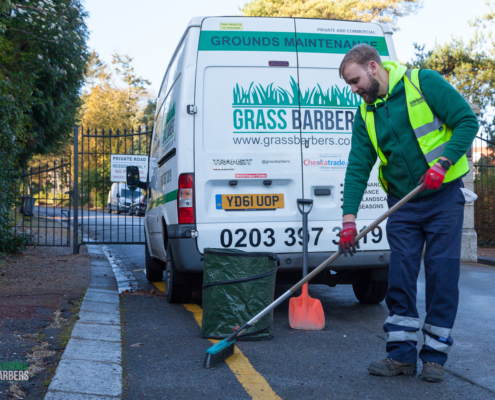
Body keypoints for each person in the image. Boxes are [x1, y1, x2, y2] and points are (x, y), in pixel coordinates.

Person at [337, 44, 479, 383]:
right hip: (402, 201)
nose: (354, 90)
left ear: (373, 67)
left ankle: (434, 357)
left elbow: (466, 121)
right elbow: (358, 166)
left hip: (443, 196)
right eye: (350, 85)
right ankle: (400, 355)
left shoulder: (422, 83)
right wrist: (348, 221)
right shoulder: (366, 113)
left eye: (355, 81)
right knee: (399, 276)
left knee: (441, 276)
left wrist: (443, 164)